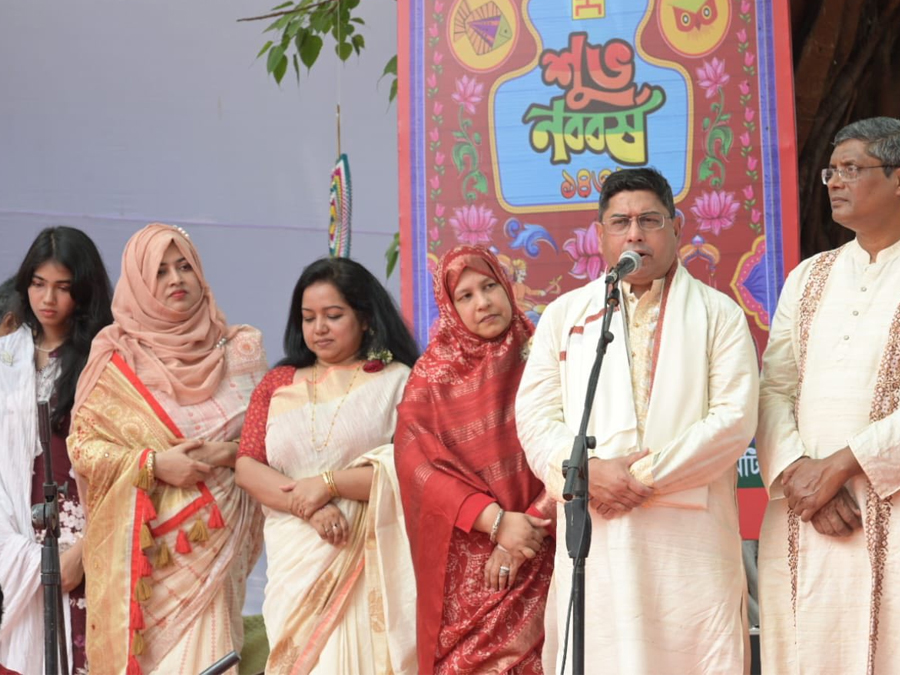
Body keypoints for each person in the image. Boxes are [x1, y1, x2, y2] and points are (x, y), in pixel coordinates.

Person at [755, 117, 900, 675]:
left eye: (852, 169)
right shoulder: (807, 278)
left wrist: (839, 467)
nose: (835, 182)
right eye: (832, 171)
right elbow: (773, 387)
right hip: (806, 512)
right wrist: (800, 474)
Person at [515, 167, 758, 673]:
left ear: (676, 227)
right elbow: (535, 418)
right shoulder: (565, 316)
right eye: (620, 223)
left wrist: (634, 478)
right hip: (599, 538)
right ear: (599, 234)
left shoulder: (719, 314)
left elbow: (734, 419)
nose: (634, 234)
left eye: (649, 220)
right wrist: (587, 474)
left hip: (690, 546)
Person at [68, 223, 267, 675]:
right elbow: (83, 447)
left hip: (217, 548)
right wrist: (154, 464)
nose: (175, 279)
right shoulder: (115, 360)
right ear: (139, 283)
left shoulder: (242, 348)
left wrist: (224, 455)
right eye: (159, 271)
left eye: (184, 267)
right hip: (148, 561)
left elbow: (271, 440)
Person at [234, 256, 421, 674]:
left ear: (366, 319)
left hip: (368, 557)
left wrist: (329, 484)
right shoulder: (278, 383)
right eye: (308, 318)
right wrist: (309, 505)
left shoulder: (398, 380)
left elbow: (410, 470)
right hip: (296, 561)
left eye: (333, 316)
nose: (319, 328)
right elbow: (248, 465)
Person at [395, 245, 554, 674]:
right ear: (450, 307)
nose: (483, 302)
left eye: (489, 286)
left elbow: (574, 445)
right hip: (473, 566)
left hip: (547, 546)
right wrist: (496, 522)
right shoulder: (430, 378)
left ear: (506, 286)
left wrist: (529, 526)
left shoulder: (545, 356)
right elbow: (417, 467)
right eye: (465, 296)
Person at [0, 228, 112, 675]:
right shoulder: (6, 356)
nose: (47, 299)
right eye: (38, 283)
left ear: (84, 291)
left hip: (84, 536)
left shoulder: (106, 359)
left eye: (63, 287)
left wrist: (84, 549)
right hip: (13, 533)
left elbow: (120, 465)